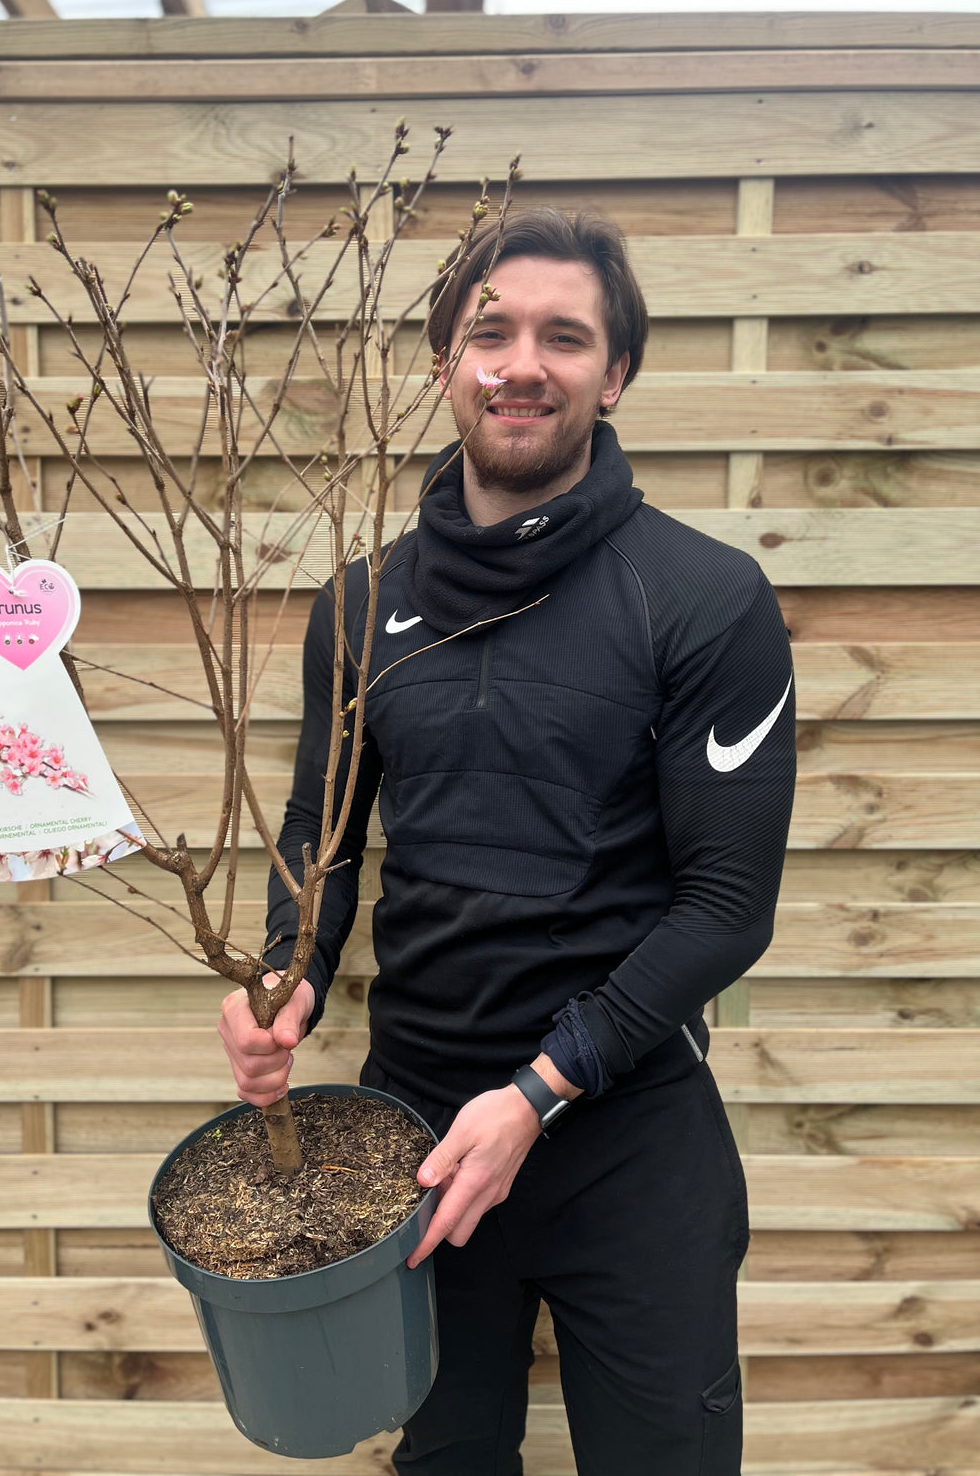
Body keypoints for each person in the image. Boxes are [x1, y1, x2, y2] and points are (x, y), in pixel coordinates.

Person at [218, 208, 796, 1476]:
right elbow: (322, 833)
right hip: (414, 1136)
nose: (522, 363)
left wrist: (541, 1088)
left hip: (630, 1141)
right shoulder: (362, 603)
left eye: (564, 336)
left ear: (616, 372)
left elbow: (726, 903)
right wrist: (286, 979)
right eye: (492, 332)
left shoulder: (706, 599)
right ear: (446, 364)